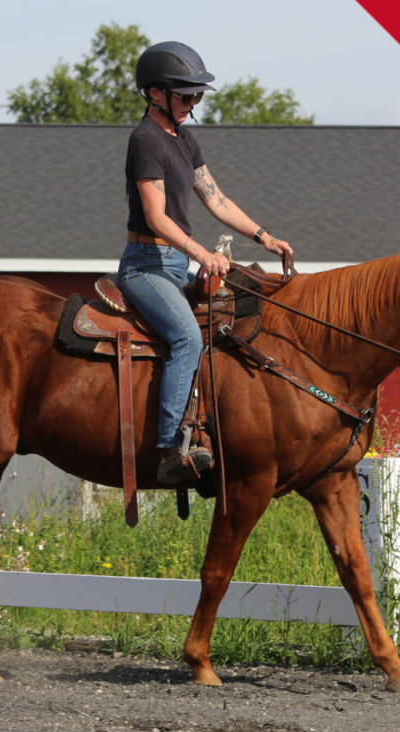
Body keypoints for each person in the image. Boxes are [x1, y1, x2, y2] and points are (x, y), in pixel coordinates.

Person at [118, 41, 294, 485]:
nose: (193, 103)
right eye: (185, 95)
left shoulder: (184, 140)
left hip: (178, 264)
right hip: (147, 266)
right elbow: (156, 215)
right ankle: (170, 448)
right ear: (155, 93)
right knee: (186, 339)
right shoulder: (146, 141)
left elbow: (217, 201)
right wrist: (201, 253)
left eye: (197, 96)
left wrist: (263, 236)